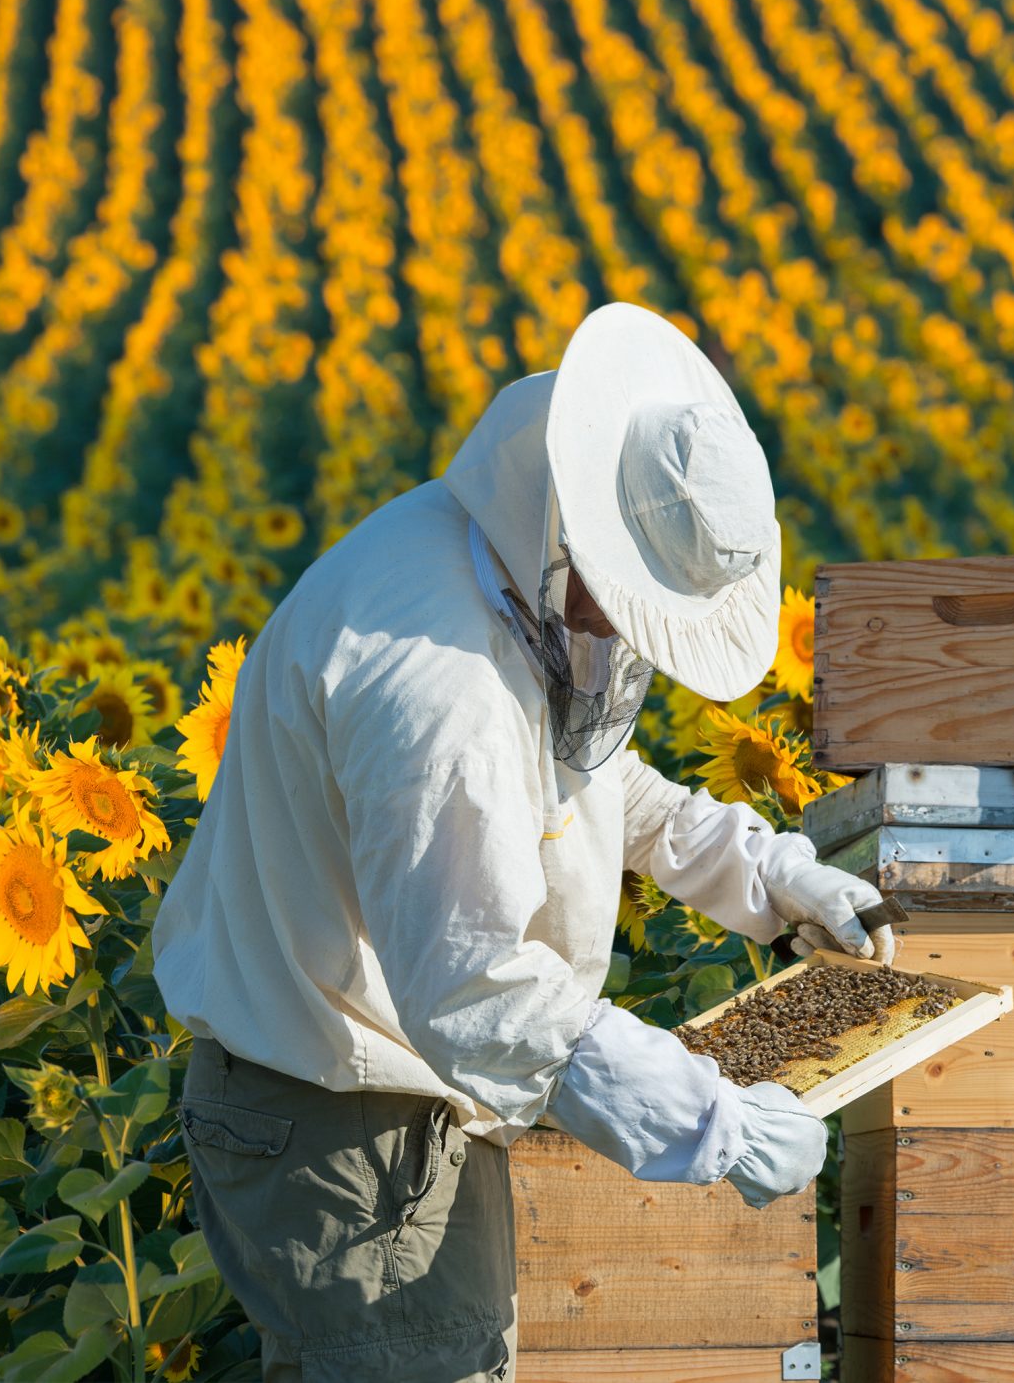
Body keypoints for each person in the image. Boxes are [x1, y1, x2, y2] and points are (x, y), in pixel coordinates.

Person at [152, 303, 893, 1381]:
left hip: (376, 1107)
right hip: (347, 1127)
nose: (621, 634)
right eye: (627, 603)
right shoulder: (436, 683)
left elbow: (589, 788)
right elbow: (476, 986)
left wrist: (768, 874)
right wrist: (710, 1125)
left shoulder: (485, 563)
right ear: (582, 528)